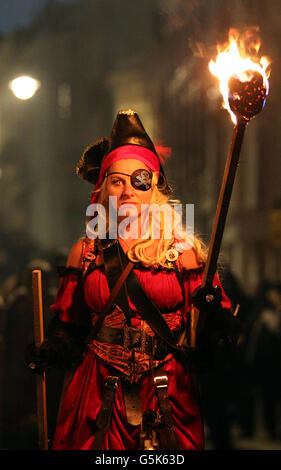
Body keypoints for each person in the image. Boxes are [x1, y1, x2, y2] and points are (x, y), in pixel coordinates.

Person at [27, 109, 239, 450]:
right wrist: (54, 346)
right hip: (96, 392)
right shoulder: (85, 253)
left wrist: (214, 314)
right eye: (117, 180)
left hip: (168, 392)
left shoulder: (183, 252)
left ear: (153, 187)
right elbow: (71, 323)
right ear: (103, 188)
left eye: (139, 179)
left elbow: (212, 327)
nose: (128, 189)